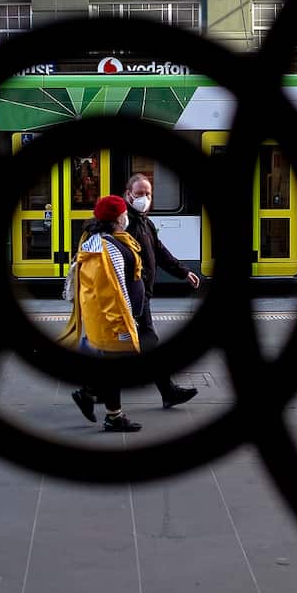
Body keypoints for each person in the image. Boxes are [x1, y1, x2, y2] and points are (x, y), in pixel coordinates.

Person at [73, 173, 201, 411]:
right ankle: (97, 394)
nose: (145, 198)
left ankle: (93, 392)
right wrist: (131, 300)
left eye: (148, 194)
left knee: (130, 349)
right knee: (142, 345)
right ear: (128, 194)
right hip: (132, 299)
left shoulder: (144, 221)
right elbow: (120, 264)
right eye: (140, 194)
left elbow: (159, 251)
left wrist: (184, 272)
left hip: (139, 296)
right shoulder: (122, 224)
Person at [58, 195, 144, 432]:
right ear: (119, 218)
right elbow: (114, 290)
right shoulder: (107, 249)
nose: (127, 217)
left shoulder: (110, 240)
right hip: (113, 320)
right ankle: (111, 413)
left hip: (110, 318)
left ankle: (90, 393)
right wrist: (126, 322)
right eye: (125, 213)